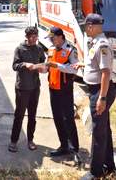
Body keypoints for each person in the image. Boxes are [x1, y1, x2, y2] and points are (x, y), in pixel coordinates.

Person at [73, 13, 116, 180]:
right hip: (97, 89)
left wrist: (102, 98)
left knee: (98, 132)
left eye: (86, 26)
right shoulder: (95, 43)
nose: (85, 29)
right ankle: (109, 165)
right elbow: (96, 65)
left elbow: (106, 73)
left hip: (101, 91)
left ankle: (95, 171)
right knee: (104, 128)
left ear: (91, 26)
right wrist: (83, 64)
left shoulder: (102, 45)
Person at [45, 26, 81, 162]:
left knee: (68, 119)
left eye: (52, 38)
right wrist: (40, 68)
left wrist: (57, 66)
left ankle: (75, 148)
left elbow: (74, 69)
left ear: (60, 37)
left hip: (65, 89)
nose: (51, 40)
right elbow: (47, 66)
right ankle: (64, 146)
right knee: (57, 118)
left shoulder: (70, 50)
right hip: (53, 88)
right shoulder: (51, 49)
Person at [8, 26, 46, 152]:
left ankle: (30, 140)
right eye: (32, 37)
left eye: (36, 37)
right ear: (27, 37)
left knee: (32, 115)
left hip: (35, 87)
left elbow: (43, 62)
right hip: (22, 88)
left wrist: (43, 68)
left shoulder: (39, 48)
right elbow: (15, 65)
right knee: (19, 115)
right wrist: (25, 64)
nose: (35, 39)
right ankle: (13, 141)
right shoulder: (20, 49)